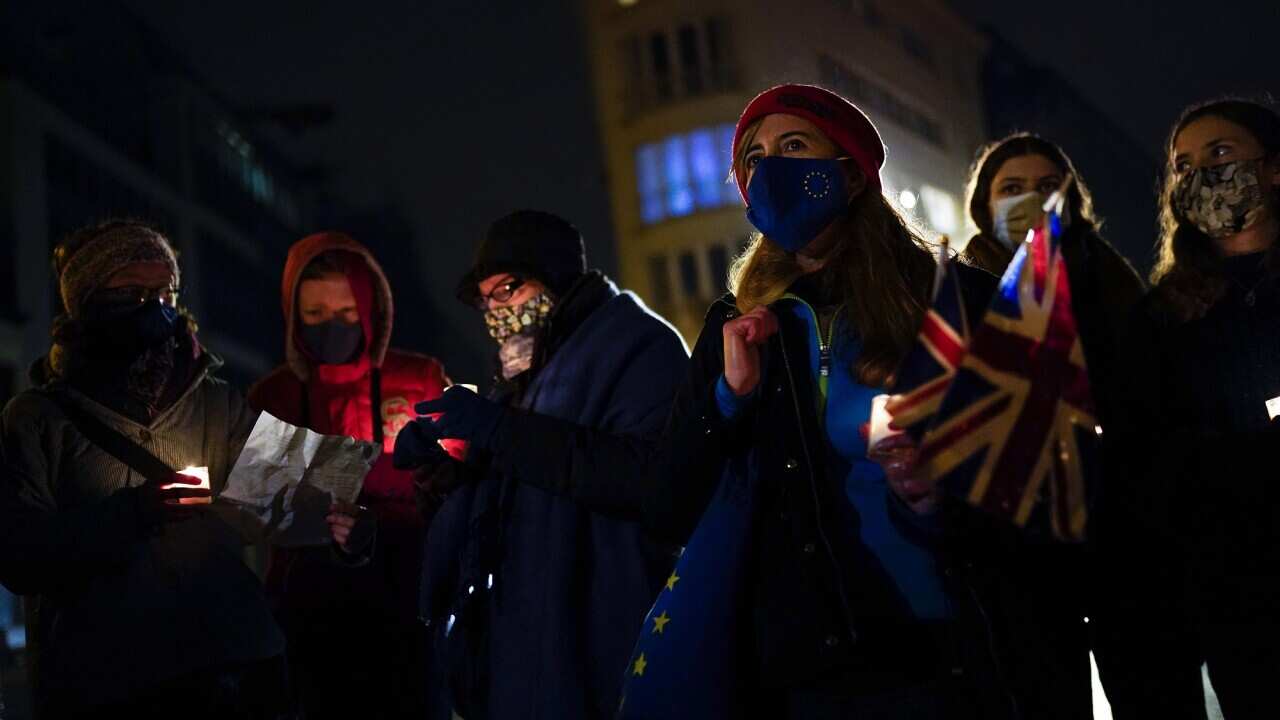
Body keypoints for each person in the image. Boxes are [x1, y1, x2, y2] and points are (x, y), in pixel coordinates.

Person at [643, 84, 1099, 718]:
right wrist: (726, 400)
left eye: (794, 145)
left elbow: (1053, 482)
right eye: (753, 157)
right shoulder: (735, 323)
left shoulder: (960, 301)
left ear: (851, 175)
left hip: (953, 653)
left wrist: (944, 494)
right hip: (803, 670)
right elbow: (667, 505)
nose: (769, 167)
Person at [0, 220, 359, 718]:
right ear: (87, 299)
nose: (154, 308)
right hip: (110, 684)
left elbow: (297, 493)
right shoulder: (38, 418)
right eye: (131, 293)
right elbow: (20, 554)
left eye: (165, 293)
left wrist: (345, 526)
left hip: (231, 668)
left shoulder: (215, 402)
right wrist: (135, 511)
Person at [394, 209, 688, 719]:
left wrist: (497, 430)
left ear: (552, 278)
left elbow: (653, 479)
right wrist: (443, 476)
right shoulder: (527, 369)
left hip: (606, 639)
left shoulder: (638, 345)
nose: (495, 312)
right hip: (531, 649)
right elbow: (514, 492)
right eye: (485, 300)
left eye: (508, 289)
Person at [1093, 98, 1280, 720]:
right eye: (1183, 165)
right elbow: (1146, 459)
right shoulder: (1164, 318)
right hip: (1243, 598)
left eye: (1220, 153)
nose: (1201, 174)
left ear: (1272, 167)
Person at [248, 231, 459, 719]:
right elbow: (257, 510)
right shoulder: (274, 399)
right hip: (309, 623)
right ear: (292, 314)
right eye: (315, 315)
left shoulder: (419, 379)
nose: (333, 329)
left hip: (409, 615)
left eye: (347, 314)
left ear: (372, 308)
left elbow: (457, 479)